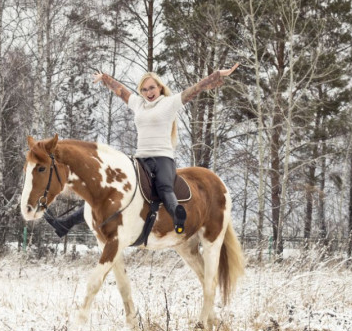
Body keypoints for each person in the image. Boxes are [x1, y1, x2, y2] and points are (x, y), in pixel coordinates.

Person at [44, 64, 239, 237]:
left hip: (162, 158)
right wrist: (104, 78)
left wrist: (216, 75)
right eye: (144, 89)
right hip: (140, 159)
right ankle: (65, 224)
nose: (148, 92)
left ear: (160, 87)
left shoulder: (169, 103)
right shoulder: (138, 104)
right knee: (112, 189)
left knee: (164, 186)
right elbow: (121, 91)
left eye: (152, 87)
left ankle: (178, 216)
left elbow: (195, 90)